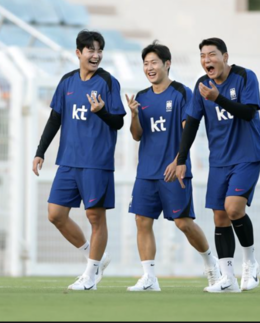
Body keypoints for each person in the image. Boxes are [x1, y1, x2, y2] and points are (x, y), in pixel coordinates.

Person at [32, 30, 126, 291]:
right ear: (78, 53)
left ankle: (90, 277)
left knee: (95, 217)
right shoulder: (67, 82)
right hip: (68, 161)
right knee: (55, 214)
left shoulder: (108, 82)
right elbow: (54, 119)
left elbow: (118, 121)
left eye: (99, 50)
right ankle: (96, 257)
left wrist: (102, 111)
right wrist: (40, 151)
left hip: (97, 161)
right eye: (90, 50)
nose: (95, 55)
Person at [125, 41, 221, 292]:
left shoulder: (181, 93)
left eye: (154, 62)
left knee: (183, 222)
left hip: (174, 171)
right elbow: (137, 135)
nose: (149, 67)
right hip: (146, 171)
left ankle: (211, 263)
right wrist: (134, 115)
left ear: (167, 64)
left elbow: (186, 131)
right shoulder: (142, 97)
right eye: (145, 64)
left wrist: (177, 160)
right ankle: (149, 278)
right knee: (142, 221)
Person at [175, 38, 260, 293]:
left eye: (212, 55)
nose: (207, 60)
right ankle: (228, 279)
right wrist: (181, 159)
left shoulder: (245, 77)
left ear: (225, 57)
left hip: (247, 155)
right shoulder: (201, 85)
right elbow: (192, 123)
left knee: (233, 209)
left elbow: (249, 112)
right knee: (219, 216)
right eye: (203, 56)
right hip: (219, 160)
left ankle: (250, 262)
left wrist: (219, 98)